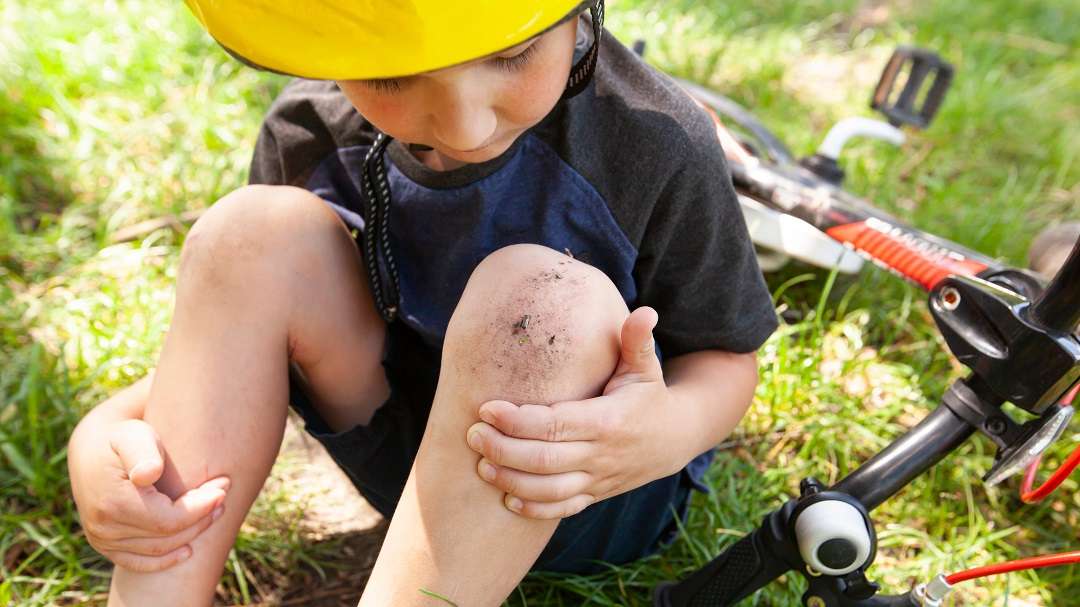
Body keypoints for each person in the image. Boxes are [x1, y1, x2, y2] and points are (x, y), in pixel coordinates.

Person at [66, 1, 778, 605]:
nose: (465, 127)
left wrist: (663, 432)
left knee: (540, 301)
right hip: (401, 448)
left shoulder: (655, 142)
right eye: (392, 75)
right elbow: (240, 348)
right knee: (247, 234)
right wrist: (107, 433)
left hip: (580, 482)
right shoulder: (311, 132)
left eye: (512, 55)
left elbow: (726, 354)